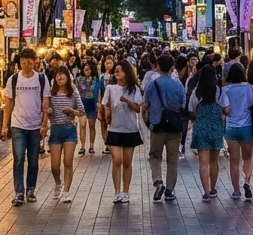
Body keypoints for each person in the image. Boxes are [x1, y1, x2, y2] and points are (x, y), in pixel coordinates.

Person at [1, 48, 48, 206]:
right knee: (19, 158)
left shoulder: (41, 79)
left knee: (33, 160)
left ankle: (31, 189)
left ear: (35, 61)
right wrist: (4, 126)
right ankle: (19, 192)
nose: (27, 63)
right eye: (23, 60)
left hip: (35, 125)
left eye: (30, 60)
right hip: (18, 125)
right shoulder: (13, 80)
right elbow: (8, 104)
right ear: (19, 62)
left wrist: (44, 124)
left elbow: (46, 103)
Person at [144, 54, 187, 203]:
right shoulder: (178, 85)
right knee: (172, 159)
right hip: (174, 126)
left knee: (155, 156)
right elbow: (183, 103)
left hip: (157, 125)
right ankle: (169, 190)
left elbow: (146, 102)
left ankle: (158, 181)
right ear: (172, 67)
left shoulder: (152, 84)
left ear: (157, 67)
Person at [102, 59, 145, 203]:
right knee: (117, 159)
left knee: (127, 161)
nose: (117, 72)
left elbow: (138, 108)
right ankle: (117, 191)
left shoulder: (134, 89)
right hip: (114, 128)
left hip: (130, 128)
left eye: (120, 70)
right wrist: (105, 114)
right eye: (116, 70)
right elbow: (105, 105)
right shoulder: (110, 88)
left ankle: (126, 191)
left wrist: (127, 101)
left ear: (127, 72)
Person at [219, 63, 253, 200]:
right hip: (247, 127)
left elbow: (223, 109)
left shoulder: (225, 90)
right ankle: (247, 182)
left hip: (231, 128)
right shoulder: (251, 89)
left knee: (234, 161)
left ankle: (236, 191)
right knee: (248, 157)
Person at [45, 68, 84, 202]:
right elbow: (46, 108)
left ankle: (66, 192)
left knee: (68, 162)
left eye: (62, 75)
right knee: (54, 166)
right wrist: (48, 111)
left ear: (68, 77)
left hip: (69, 131)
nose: (60, 77)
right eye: (57, 75)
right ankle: (58, 183)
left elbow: (81, 111)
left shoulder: (73, 92)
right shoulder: (51, 93)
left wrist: (71, 111)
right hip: (55, 130)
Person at [189, 64, 224, 203]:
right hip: (215, 128)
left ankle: (206, 192)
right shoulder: (219, 91)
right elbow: (225, 108)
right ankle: (213, 187)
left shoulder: (196, 92)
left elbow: (191, 110)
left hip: (201, 129)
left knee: (203, 163)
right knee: (214, 161)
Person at [76, 60, 100, 155]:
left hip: (92, 106)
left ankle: (91, 146)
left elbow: (98, 92)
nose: (86, 69)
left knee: (91, 126)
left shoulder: (96, 80)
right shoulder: (79, 79)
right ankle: (82, 146)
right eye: (85, 68)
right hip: (82, 106)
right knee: (82, 126)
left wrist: (99, 103)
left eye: (89, 68)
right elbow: (76, 92)